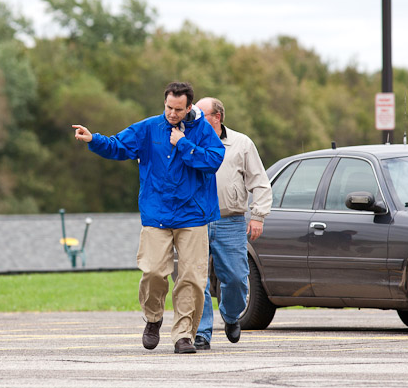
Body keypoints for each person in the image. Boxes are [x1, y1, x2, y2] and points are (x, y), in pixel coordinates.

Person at [73, 82, 225, 354]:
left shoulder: (202, 131)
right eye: (168, 107)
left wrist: (183, 144)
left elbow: (213, 161)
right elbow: (118, 146)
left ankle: (183, 336)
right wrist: (93, 139)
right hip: (157, 214)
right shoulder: (148, 128)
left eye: (178, 109)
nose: (172, 113)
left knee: (192, 279)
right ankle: (153, 318)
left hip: (193, 216)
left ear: (189, 107)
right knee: (153, 271)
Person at [194, 97, 272, 350]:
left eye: (201, 114)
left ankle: (230, 315)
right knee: (197, 279)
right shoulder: (187, 140)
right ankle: (202, 332)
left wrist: (258, 215)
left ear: (217, 117)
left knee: (237, 278)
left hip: (231, 220)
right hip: (195, 221)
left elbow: (260, 182)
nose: (194, 118)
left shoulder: (241, 143)